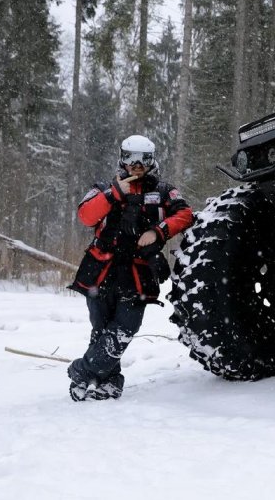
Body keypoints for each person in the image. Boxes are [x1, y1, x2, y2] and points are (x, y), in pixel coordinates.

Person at [67, 135, 194, 401]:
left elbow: (185, 214)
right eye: (131, 158)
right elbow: (85, 215)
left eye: (143, 159)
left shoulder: (163, 191)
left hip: (137, 273)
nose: (137, 165)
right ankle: (107, 382)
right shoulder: (103, 188)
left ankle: (82, 370)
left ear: (152, 160)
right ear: (122, 159)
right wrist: (114, 194)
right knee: (101, 331)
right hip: (101, 270)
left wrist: (158, 232)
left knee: (123, 330)